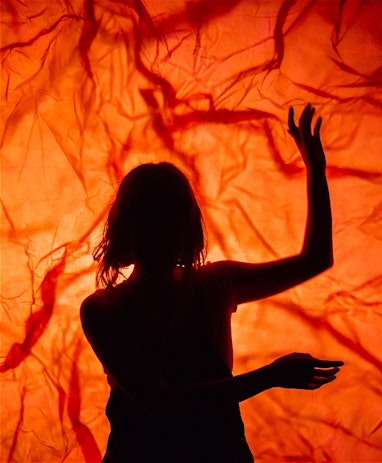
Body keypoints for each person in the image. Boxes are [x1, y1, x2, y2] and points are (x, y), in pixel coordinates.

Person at [80, 104, 343, 463]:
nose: (160, 238)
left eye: (169, 223)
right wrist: (271, 376)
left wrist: (316, 171)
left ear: (187, 228)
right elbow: (164, 402)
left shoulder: (218, 282)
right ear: (128, 232)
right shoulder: (102, 310)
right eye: (149, 225)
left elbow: (314, 260)